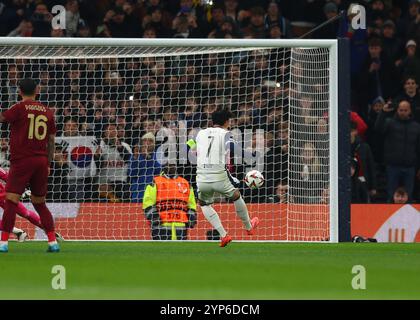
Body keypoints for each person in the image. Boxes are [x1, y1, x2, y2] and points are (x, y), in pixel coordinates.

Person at [0, 78, 59, 252]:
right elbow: (51, 140)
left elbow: (3, 118)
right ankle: (52, 242)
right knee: (40, 203)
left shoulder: (18, 108)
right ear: (37, 90)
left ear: (19, 91)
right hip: (41, 161)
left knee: (11, 201)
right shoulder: (47, 111)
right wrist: (48, 164)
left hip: (22, 160)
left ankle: (3, 243)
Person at [190, 108, 259, 247]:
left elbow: (189, 148)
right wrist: (249, 156)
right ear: (227, 122)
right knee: (236, 196)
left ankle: (223, 235)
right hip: (219, 175)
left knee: (204, 203)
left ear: (212, 121)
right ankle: (248, 227)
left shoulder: (200, 133)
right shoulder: (226, 134)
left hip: (202, 177)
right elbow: (232, 147)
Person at [0, 167, 64, 241]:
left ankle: (50, 232)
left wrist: (22, 189)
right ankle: (17, 231)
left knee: (25, 213)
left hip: (3, 196)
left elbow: (6, 177)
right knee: (24, 213)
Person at [375, 99, 420, 202]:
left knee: (408, 196)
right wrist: (383, 112)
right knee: (391, 195)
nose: (403, 112)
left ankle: (409, 218)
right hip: (393, 166)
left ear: (410, 111)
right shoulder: (390, 123)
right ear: (397, 110)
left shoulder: (416, 127)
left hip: (410, 166)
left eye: (405, 110)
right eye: (401, 110)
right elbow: (377, 128)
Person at [142, 163, 197, 240]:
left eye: (173, 164)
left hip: (181, 227)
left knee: (181, 251)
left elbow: (191, 204)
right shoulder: (155, 182)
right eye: (169, 164)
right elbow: (147, 203)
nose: (171, 166)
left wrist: (191, 218)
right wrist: (155, 219)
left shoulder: (185, 183)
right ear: (164, 165)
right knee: (161, 251)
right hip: (160, 227)